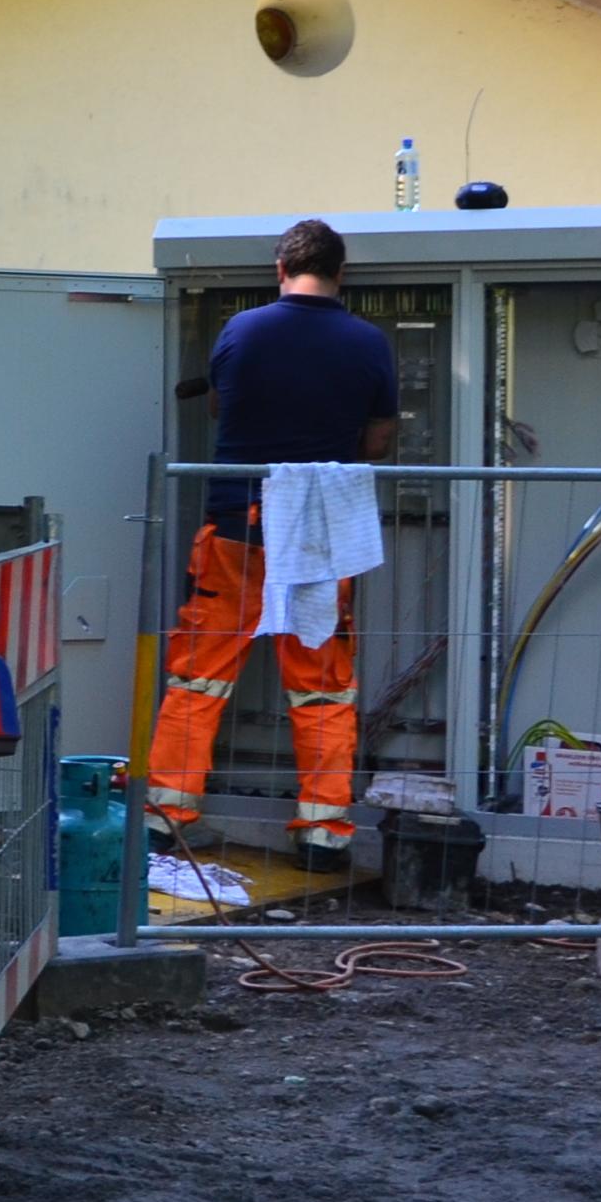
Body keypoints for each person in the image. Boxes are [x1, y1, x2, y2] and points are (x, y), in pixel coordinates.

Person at [147, 217, 398, 853]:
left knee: (199, 677)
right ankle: (322, 833)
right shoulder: (369, 342)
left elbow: (220, 408)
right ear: (341, 274)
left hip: (238, 527)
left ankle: (167, 816)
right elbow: (378, 441)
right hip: (318, 538)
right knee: (322, 684)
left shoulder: (241, 330)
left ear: (280, 269)